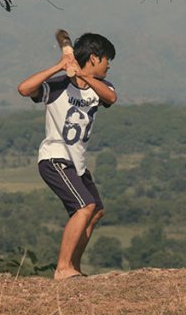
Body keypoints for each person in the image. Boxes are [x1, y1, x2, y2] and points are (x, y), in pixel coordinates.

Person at [18, 31, 117, 279]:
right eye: (107, 60)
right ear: (94, 58)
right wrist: (60, 66)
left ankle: (73, 266)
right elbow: (24, 89)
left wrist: (83, 74)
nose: (109, 66)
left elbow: (111, 98)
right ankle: (62, 269)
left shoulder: (100, 87)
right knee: (85, 206)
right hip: (55, 157)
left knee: (94, 212)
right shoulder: (59, 85)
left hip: (77, 162)